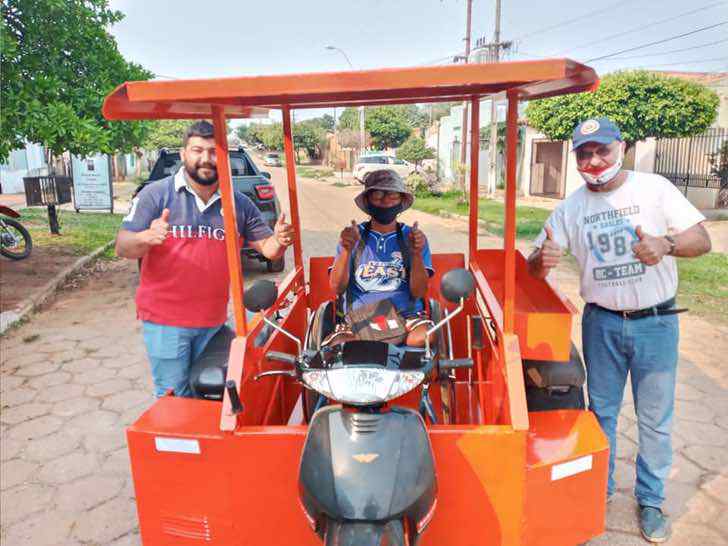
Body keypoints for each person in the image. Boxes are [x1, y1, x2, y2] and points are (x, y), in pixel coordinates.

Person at [527, 118, 711, 543]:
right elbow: (533, 264)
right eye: (584, 153)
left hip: (656, 324)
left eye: (601, 150)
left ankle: (650, 499)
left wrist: (666, 245)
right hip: (602, 323)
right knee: (602, 414)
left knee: (654, 419)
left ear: (621, 147)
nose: (593, 161)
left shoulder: (655, 189)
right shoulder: (570, 208)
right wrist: (543, 260)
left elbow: (702, 240)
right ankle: (599, 490)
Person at [115, 120, 294, 397]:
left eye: (213, 151)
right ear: (184, 153)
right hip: (166, 323)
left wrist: (280, 240)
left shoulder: (238, 204)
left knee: (213, 396)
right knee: (175, 398)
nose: (206, 159)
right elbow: (123, 246)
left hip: (213, 324)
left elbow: (268, 250)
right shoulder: (156, 195)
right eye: (197, 150)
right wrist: (145, 238)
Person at [328, 169, 434, 347]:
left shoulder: (413, 237)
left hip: (406, 316)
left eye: (392, 195)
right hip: (359, 318)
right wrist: (346, 250)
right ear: (368, 201)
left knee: (425, 338)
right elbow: (337, 288)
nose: (385, 201)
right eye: (377, 195)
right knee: (339, 347)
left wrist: (416, 253)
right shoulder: (352, 236)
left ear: (401, 201)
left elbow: (419, 292)